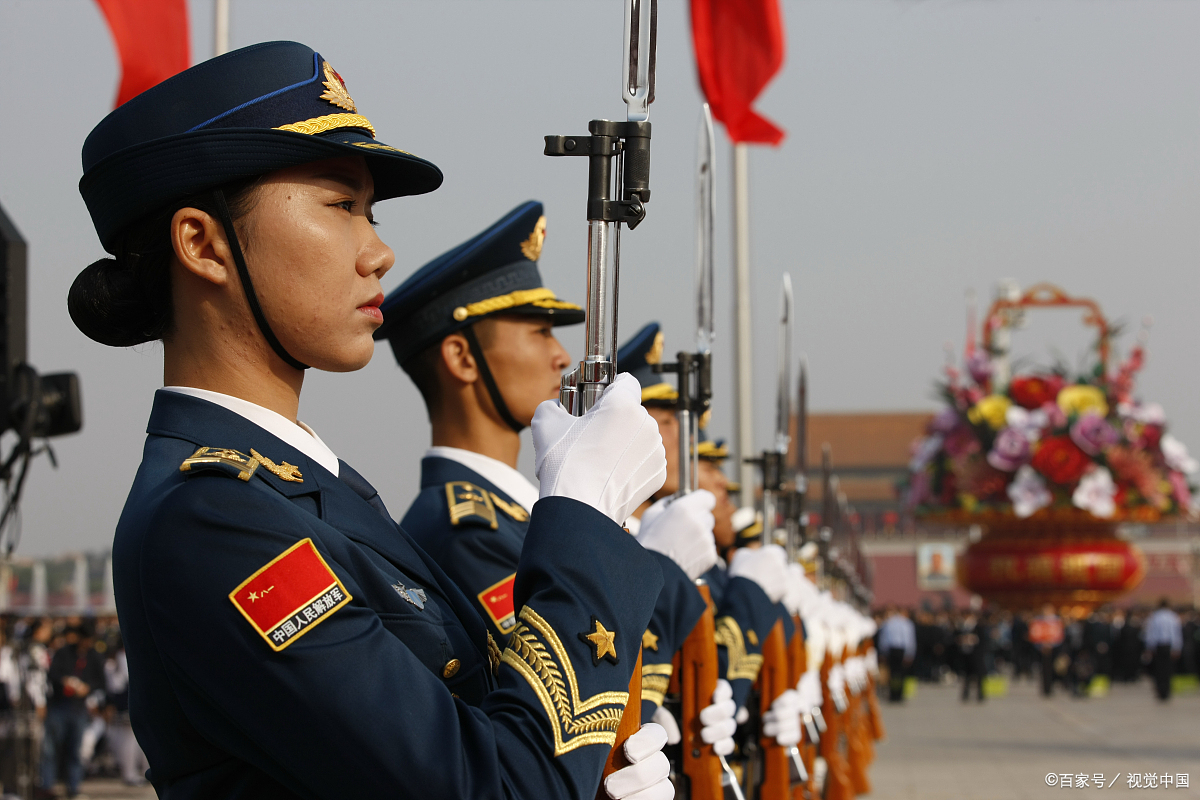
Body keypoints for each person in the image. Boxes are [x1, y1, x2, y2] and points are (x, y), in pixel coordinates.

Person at [71, 41, 674, 799]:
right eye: (340, 205)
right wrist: (582, 515)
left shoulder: (308, 492)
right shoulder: (210, 520)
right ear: (203, 244)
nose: (380, 251)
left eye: (371, 212)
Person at [377, 202, 732, 753]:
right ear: (461, 358)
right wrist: (663, 569)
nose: (560, 354)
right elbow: (570, 698)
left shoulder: (515, 516)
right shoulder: (465, 531)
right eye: (539, 331)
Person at [40, 621, 105, 798]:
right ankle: (48, 785)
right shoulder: (63, 653)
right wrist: (65, 681)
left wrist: (87, 688)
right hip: (59, 705)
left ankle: (73, 787)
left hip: (79, 708)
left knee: (75, 750)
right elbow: (52, 674)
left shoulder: (94, 657)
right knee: (51, 749)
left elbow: (101, 682)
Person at [1143, 598, 1183, 701]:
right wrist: (1176, 647)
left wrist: (1149, 647)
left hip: (1158, 646)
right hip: (1168, 645)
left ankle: (1160, 690)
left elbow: (1150, 633)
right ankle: (1167, 691)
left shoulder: (1154, 617)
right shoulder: (1173, 617)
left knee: (1159, 669)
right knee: (1168, 669)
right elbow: (1176, 634)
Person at [877, 606, 915, 702]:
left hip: (892, 650)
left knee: (893, 673)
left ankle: (893, 694)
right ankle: (899, 694)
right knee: (901, 673)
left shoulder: (888, 623)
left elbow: (883, 639)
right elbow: (910, 640)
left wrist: (883, 652)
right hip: (901, 650)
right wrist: (910, 653)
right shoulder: (907, 623)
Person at [1028, 603, 1065, 697]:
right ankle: (1045, 689)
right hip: (1042, 649)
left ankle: (1051, 687)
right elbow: (1034, 634)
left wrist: (1051, 644)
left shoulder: (1056, 621)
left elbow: (1059, 635)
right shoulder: (1038, 621)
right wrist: (1041, 645)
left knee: (1053, 669)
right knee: (1043, 670)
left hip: (1053, 649)